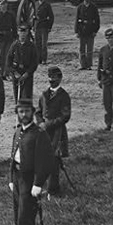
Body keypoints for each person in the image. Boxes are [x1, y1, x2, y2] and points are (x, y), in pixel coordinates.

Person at [9, 95, 55, 225]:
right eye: (21, 112)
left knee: (25, 219)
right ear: (17, 114)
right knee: (17, 218)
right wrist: (11, 178)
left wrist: (38, 183)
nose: (24, 114)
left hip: (29, 180)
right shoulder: (18, 131)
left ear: (33, 113)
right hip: (18, 178)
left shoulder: (39, 134)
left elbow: (46, 161)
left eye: (27, 111)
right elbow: (13, 156)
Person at [35, 66, 71, 196]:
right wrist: (40, 123)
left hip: (57, 132)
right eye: (50, 78)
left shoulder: (64, 96)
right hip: (44, 132)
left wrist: (48, 124)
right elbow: (38, 111)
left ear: (60, 79)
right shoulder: (44, 95)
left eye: (55, 78)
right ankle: (44, 186)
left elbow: (65, 116)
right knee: (43, 159)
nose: (52, 80)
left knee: (55, 160)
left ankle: (53, 189)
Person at [7, 24, 39, 103]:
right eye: (21, 31)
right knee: (17, 94)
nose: (23, 34)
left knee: (27, 95)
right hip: (16, 72)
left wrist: (27, 73)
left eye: (25, 32)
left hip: (27, 72)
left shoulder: (31, 46)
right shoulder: (14, 45)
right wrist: (14, 72)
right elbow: (9, 60)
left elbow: (34, 62)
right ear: (18, 32)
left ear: (28, 32)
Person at [74, 0, 100, 70]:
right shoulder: (80, 7)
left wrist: (95, 31)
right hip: (82, 30)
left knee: (89, 49)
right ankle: (82, 65)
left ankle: (88, 65)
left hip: (90, 30)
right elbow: (76, 19)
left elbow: (97, 20)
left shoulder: (93, 7)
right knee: (82, 49)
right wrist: (76, 31)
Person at [0, 0, 16, 78]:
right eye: (2, 5)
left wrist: (15, 37)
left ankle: (6, 73)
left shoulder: (11, 15)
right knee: (1, 56)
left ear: (7, 5)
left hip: (9, 37)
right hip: (0, 38)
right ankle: (1, 72)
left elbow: (14, 27)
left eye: (5, 4)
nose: (3, 6)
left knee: (8, 56)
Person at [33, 0, 54, 65]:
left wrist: (49, 27)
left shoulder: (47, 5)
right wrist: (33, 25)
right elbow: (32, 15)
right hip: (37, 26)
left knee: (43, 44)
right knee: (37, 44)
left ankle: (44, 59)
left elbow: (51, 17)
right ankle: (38, 59)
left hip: (44, 26)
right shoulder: (35, 4)